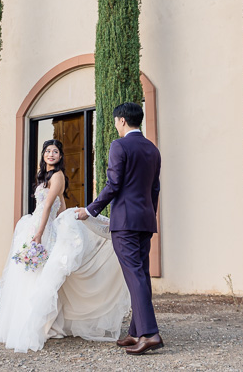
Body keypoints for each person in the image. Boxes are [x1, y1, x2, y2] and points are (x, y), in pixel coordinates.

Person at [0, 139, 130, 353]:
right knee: (28, 274)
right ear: (43, 155)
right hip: (35, 224)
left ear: (60, 156)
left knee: (42, 275)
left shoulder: (57, 176)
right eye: (48, 151)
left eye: (55, 151)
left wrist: (40, 233)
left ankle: (40, 324)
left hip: (42, 229)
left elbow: (48, 206)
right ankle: (27, 321)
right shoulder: (43, 176)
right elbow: (61, 205)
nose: (51, 154)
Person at [76, 102, 163, 355]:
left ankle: (150, 334)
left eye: (116, 121)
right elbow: (154, 189)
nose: (115, 125)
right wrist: (150, 214)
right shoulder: (153, 149)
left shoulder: (119, 145)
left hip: (125, 221)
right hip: (145, 220)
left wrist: (90, 210)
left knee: (135, 275)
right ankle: (136, 331)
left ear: (122, 120)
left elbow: (113, 184)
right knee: (141, 273)